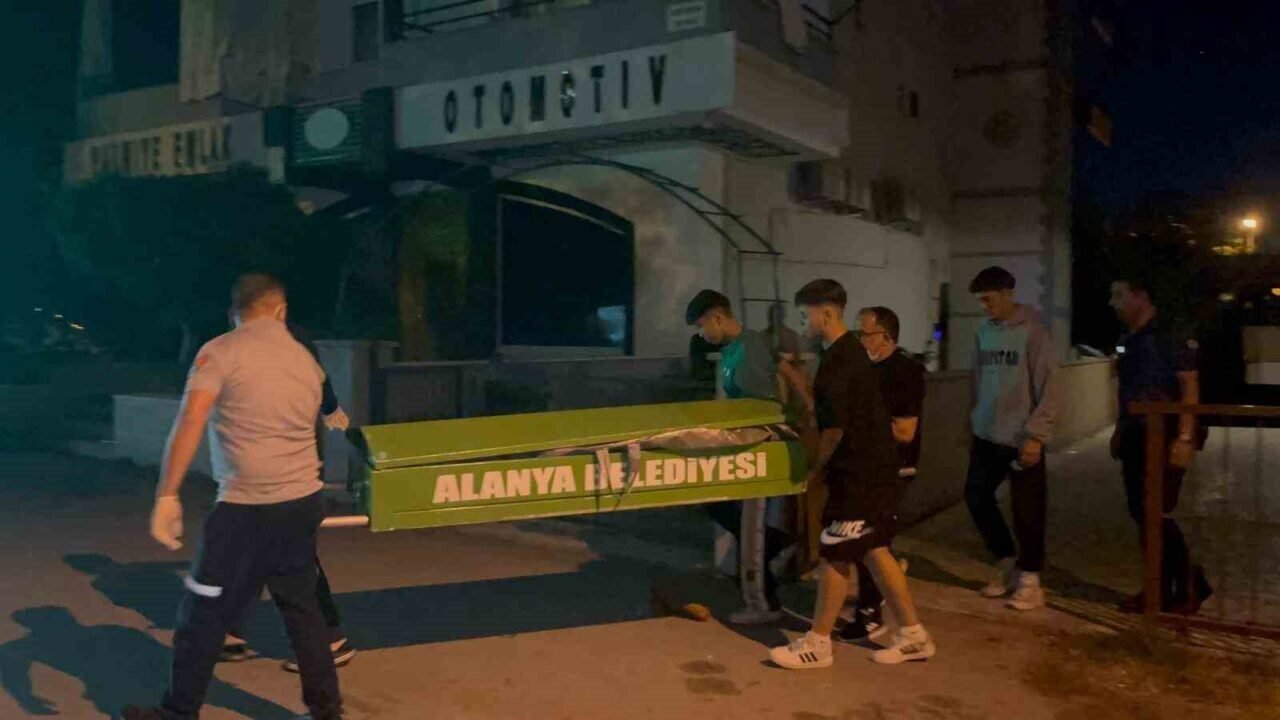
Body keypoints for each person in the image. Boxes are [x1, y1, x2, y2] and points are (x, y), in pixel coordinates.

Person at [124, 274, 343, 720]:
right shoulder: (306, 360)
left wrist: (167, 495)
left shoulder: (220, 352)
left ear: (235, 312)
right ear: (281, 310)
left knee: (202, 610)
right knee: (302, 609)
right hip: (301, 502)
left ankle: (179, 711)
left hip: (244, 508)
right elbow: (317, 420)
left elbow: (191, 420)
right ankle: (326, 712)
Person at [769, 279, 934, 669]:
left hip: (858, 475)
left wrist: (813, 470)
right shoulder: (851, 354)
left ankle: (817, 644)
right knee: (874, 550)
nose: (801, 323)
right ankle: (914, 636)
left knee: (834, 552)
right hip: (876, 470)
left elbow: (834, 430)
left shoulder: (839, 361)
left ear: (826, 313)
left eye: (804, 315)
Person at [219, 320, 357, 672]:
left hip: (288, 477)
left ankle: (331, 639)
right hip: (268, 475)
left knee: (292, 557)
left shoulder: (285, 348)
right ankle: (232, 632)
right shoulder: (273, 349)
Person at [686, 289, 810, 625]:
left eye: (701, 326)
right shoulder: (734, 349)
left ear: (717, 317)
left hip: (758, 447)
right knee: (727, 513)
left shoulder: (751, 346)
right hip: (743, 445)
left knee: (751, 528)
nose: (701, 334)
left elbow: (778, 384)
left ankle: (763, 602)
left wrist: (806, 411)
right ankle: (777, 547)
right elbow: (786, 371)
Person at [1109, 274, 1212, 615]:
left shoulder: (1170, 335)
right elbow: (1126, 388)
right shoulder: (1129, 339)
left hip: (1164, 435)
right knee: (1143, 513)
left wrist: (1184, 437)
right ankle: (1163, 590)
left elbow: (1189, 387)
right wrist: (1120, 430)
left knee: (1154, 513)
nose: (1113, 303)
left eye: (1119, 295)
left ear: (1141, 296)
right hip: (1136, 435)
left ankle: (1187, 585)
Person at [963, 266, 1057, 612]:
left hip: (1021, 436)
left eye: (988, 299)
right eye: (980, 301)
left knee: (1027, 510)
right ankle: (1007, 562)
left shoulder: (1034, 332)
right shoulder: (983, 332)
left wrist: (1036, 435)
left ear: (1007, 294)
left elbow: (1049, 386)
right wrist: (971, 423)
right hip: (987, 433)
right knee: (976, 496)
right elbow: (977, 380)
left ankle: (1031, 580)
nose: (984, 306)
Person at [838, 306, 926, 643]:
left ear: (886, 337)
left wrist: (860, 425)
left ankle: (872, 614)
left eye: (864, 334)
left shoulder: (904, 372)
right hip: (868, 466)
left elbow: (904, 431)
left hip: (894, 468)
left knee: (870, 542)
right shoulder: (868, 369)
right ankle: (879, 595)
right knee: (868, 542)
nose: (859, 340)